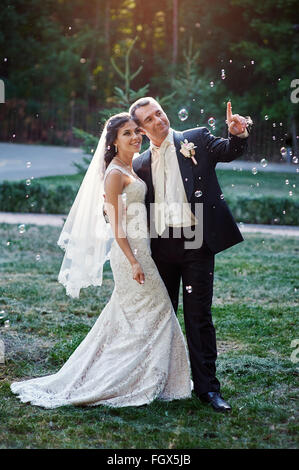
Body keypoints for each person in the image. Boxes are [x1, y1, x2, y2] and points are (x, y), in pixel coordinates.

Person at [10, 113, 192, 409]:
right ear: (114, 141)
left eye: (137, 131)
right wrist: (133, 261)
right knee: (158, 311)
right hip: (129, 255)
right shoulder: (114, 174)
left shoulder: (129, 167)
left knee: (139, 316)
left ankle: (153, 375)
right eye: (127, 134)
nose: (135, 137)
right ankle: (132, 378)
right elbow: (117, 226)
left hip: (142, 249)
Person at [130, 98, 250, 412]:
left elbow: (229, 151)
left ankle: (208, 390)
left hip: (197, 243)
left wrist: (237, 135)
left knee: (199, 318)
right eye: (150, 119)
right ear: (142, 130)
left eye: (159, 112)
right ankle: (162, 381)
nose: (159, 120)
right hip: (162, 248)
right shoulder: (140, 163)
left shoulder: (195, 139)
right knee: (163, 317)